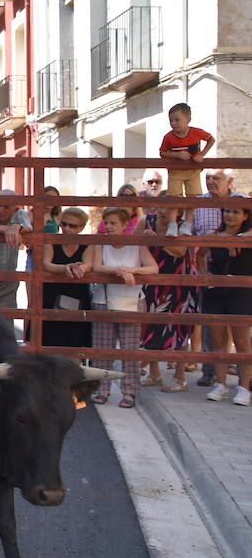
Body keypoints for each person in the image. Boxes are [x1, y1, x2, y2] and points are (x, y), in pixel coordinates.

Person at [90, 207, 159, 408]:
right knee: (103, 348)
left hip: (132, 299)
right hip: (104, 299)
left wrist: (133, 270)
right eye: (106, 222)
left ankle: (130, 391)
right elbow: (97, 267)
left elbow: (153, 268)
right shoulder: (101, 244)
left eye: (113, 223)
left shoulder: (136, 245)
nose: (109, 227)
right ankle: (102, 389)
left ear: (124, 225)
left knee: (130, 350)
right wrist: (119, 271)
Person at [191, 169, 245, 386]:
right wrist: (203, 274)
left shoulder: (244, 202)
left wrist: (237, 238)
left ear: (230, 181)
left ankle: (244, 381)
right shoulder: (198, 204)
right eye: (207, 178)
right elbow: (194, 239)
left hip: (242, 276)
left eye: (216, 178)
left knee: (241, 332)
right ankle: (210, 372)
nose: (211, 182)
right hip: (214, 271)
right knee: (212, 330)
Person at [141, 202, 201, 392]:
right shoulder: (146, 221)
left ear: (179, 210)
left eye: (172, 207)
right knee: (151, 324)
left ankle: (180, 376)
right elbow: (131, 242)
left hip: (180, 282)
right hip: (153, 281)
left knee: (180, 328)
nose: (166, 210)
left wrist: (157, 239)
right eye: (164, 206)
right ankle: (154, 372)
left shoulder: (184, 225)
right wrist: (144, 237)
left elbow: (180, 250)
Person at [201, 205, 252, 405]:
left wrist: (237, 239)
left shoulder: (248, 236)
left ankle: (244, 387)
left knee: (241, 340)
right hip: (217, 291)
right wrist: (204, 274)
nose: (230, 214)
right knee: (217, 339)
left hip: (242, 292)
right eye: (227, 211)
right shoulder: (215, 235)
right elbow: (200, 254)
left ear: (245, 216)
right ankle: (221, 384)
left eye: (235, 211)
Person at [38, 207, 93, 351]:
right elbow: (46, 264)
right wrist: (65, 268)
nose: (67, 228)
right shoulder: (52, 241)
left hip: (77, 293)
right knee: (50, 339)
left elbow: (89, 263)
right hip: (53, 293)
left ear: (81, 228)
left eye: (73, 226)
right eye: (64, 224)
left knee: (75, 339)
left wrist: (80, 268)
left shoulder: (87, 244)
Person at [159, 102, 215, 236]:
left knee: (192, 197)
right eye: (171, 120)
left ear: (188, 120)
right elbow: (162, 152)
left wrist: (201, 155)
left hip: (193, 171)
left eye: (177, 120)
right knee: (174, 197)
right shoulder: (168, 137)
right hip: (175, 172)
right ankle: (172, 225)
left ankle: (187, 224)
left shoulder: (196, 132)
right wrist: (176, 155)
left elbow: (211, 140)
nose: (173, 123)